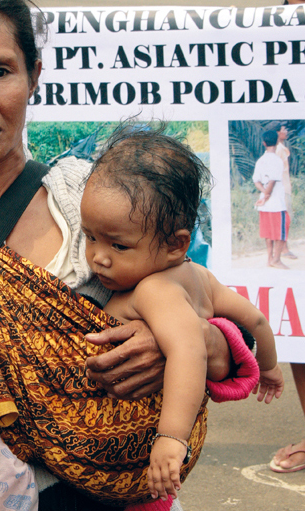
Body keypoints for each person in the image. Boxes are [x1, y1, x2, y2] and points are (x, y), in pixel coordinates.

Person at [0, 1, 259, 509]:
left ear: (33, 75)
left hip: (127, 495)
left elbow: (227, 326)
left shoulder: (98, 198)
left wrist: (182, 343)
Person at [80, 123, 284, 502]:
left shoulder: (154, 289)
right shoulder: (200, 276)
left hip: (140, 452)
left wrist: (171, 438)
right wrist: (269, 367)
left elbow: (189, 349)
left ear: (176, 244)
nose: (98, 257)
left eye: (119, 246)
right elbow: (255, 320)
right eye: (90, 236)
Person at [252, 130, 290, 270]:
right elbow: (273, 182)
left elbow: (256, 181)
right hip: (276, 203)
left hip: (264, 204)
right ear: (277, 141)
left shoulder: (260, 160)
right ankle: (276, 259)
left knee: (268, 232)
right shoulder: (277, 160)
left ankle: (269, 259)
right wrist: (267, 195)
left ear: (264, 143)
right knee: (281, 231)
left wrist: (263, 194)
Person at [275, 123, 297, 260]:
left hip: (284, 188)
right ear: (278, 132)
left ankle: (282, 248)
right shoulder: (279, 150)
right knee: (285, 219)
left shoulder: (281, 148)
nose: (286, 131)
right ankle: (284, 249)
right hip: (281, 190)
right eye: (284, 129)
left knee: (285, 219)